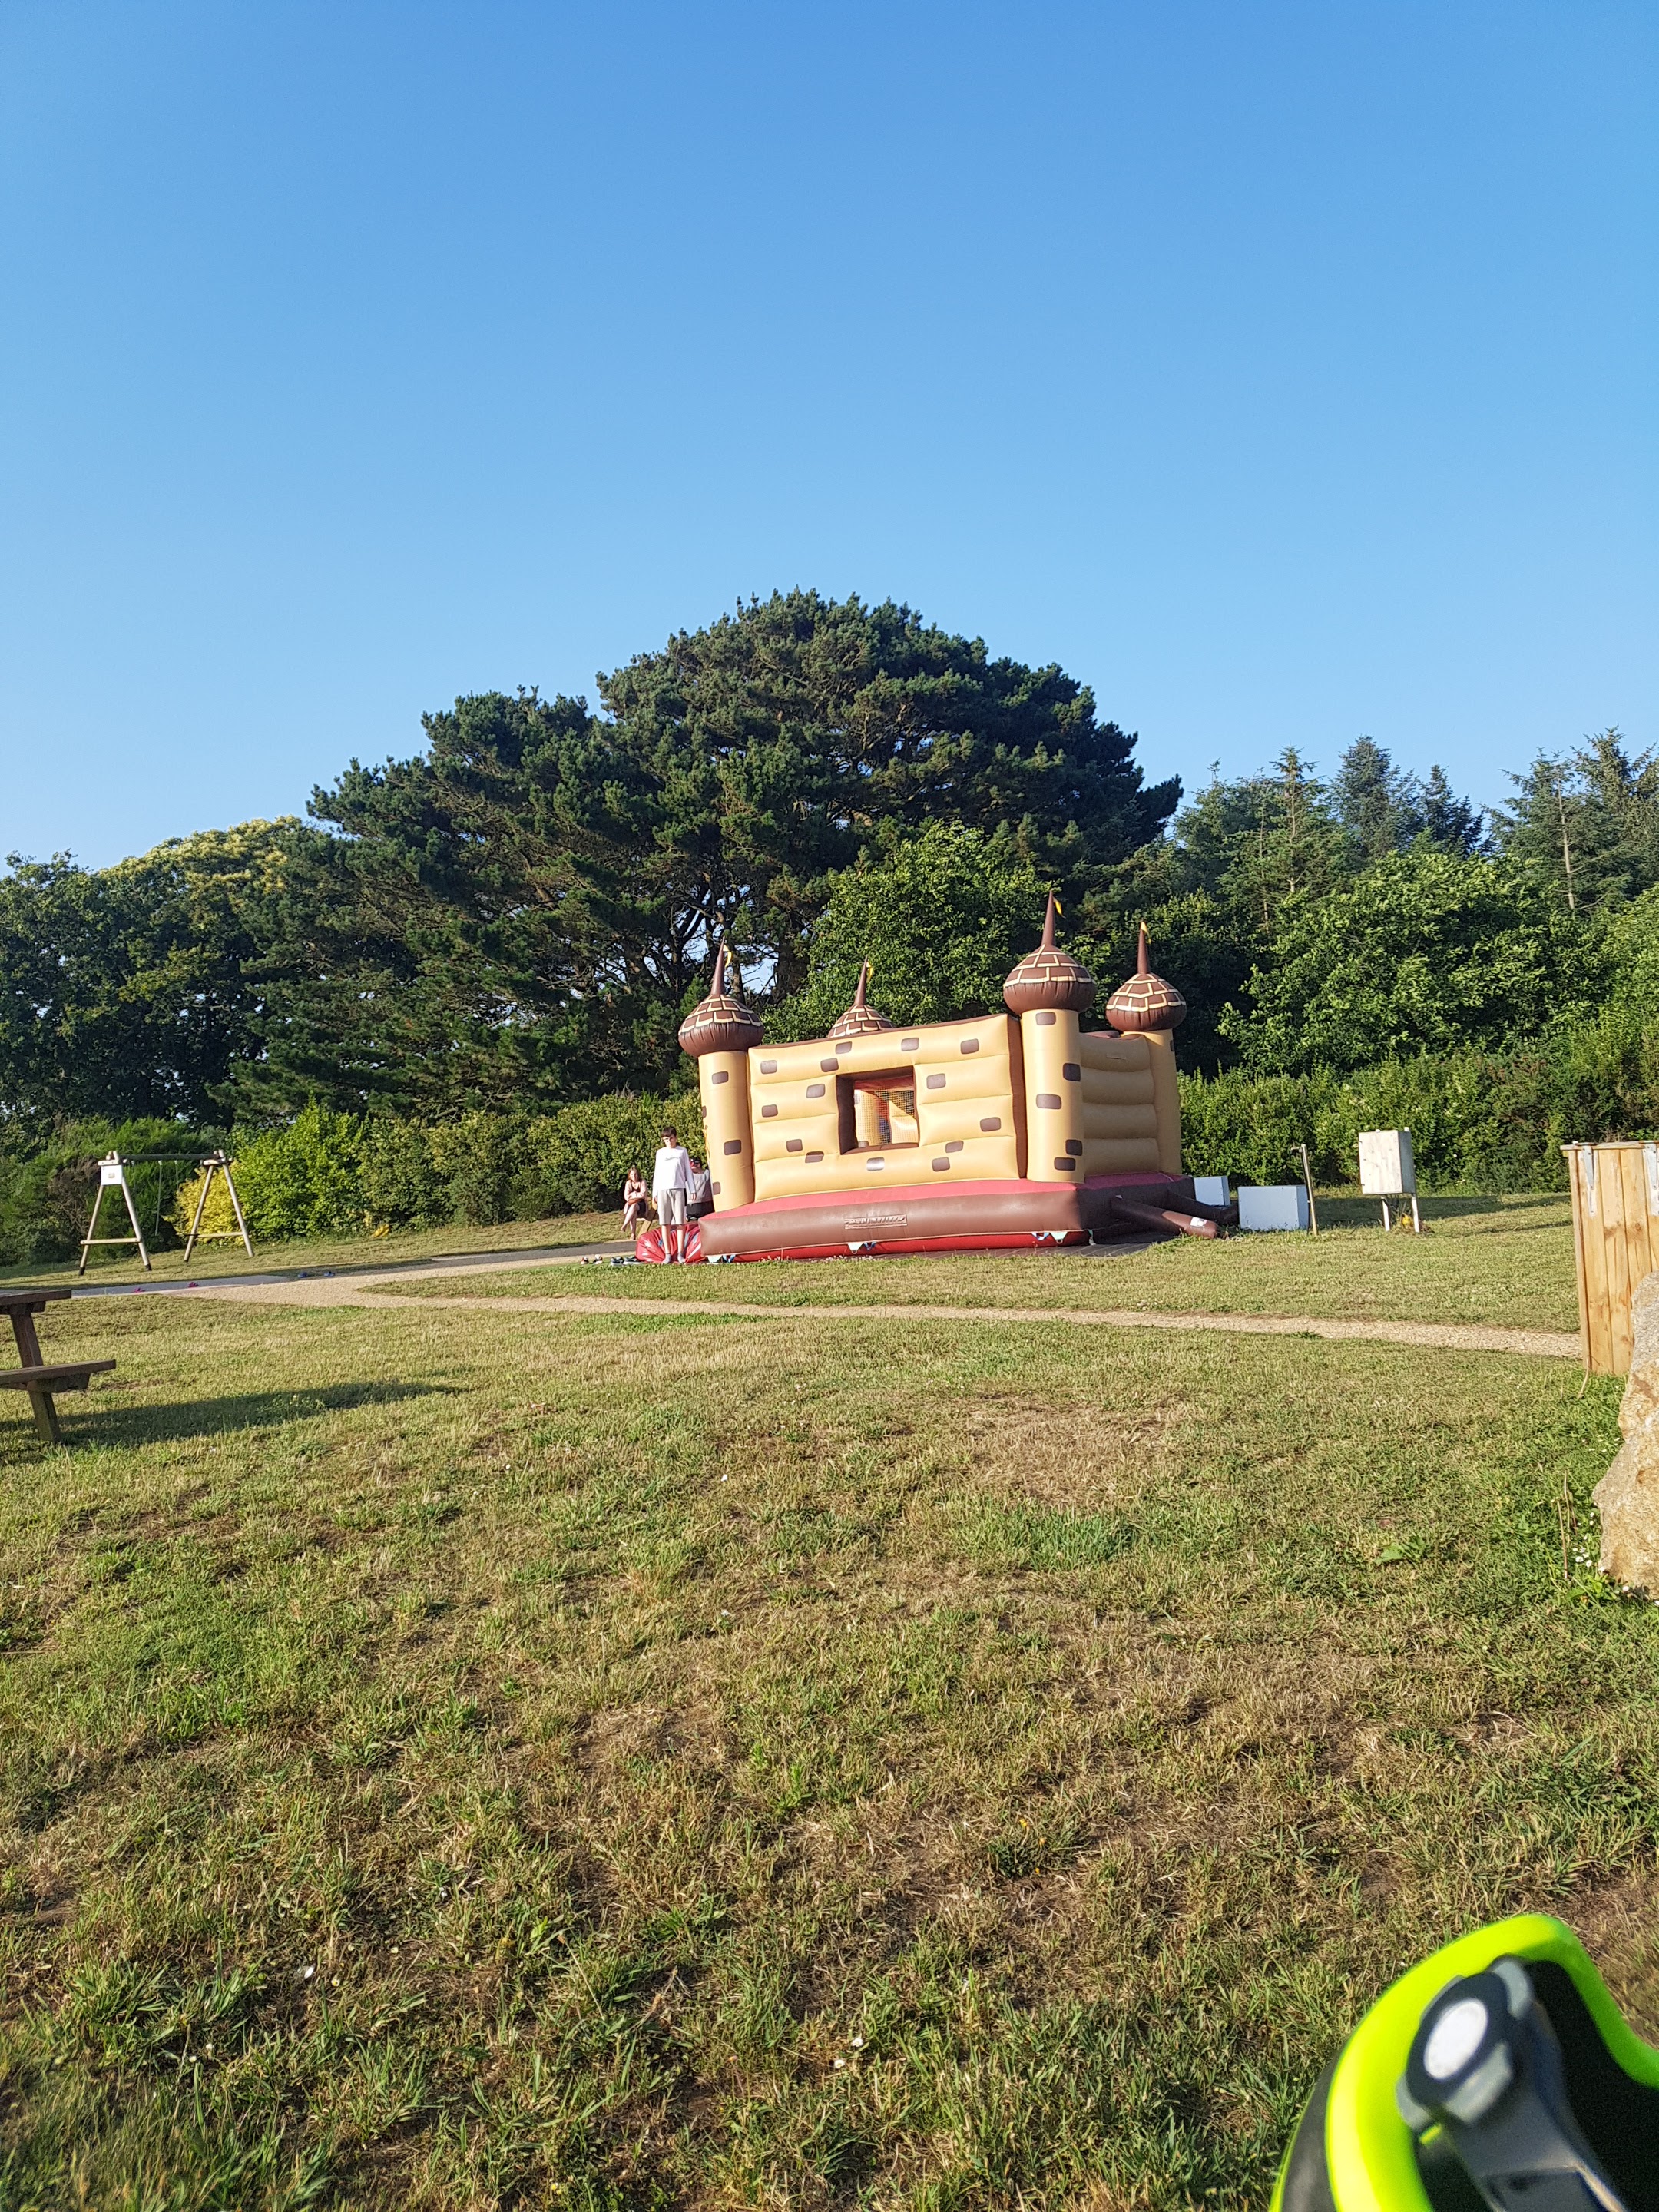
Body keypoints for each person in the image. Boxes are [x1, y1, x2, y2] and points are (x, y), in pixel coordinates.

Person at [651, 1125, 692, 1261]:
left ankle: (680, 1253)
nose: (669, 1141)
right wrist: (655, 1192)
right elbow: (657, 1173)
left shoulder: (682, 1151)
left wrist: (692, 1189)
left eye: (671, 1138)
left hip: (679, 1188)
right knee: (665, 1222)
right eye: (666, 1139)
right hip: (663, 1189)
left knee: (680, 1222)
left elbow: (688, 1171)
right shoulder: (660, 1153)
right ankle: (667, 1254)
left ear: (676, 1138)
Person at [621, 1165, 648, 1237]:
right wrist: (637, 1194)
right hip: (631, 1204)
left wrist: (633, 1194)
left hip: (641, 1204)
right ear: (630, 1175)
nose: (634, 1176)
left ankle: (625, 1225)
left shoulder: (642, 1182)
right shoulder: (629, 1183)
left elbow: (643, 1195)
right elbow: (627, 1197)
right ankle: (633, 1234)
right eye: (632, 1174)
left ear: (638, 1174)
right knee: (633, 1210)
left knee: (634, 1206)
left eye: (635, 1174)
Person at [686, 1155, 714, 1221]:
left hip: (702, 1206)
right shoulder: (707, 1174)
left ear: (698, 1165)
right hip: (695, 1207)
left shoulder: (706, 1174)